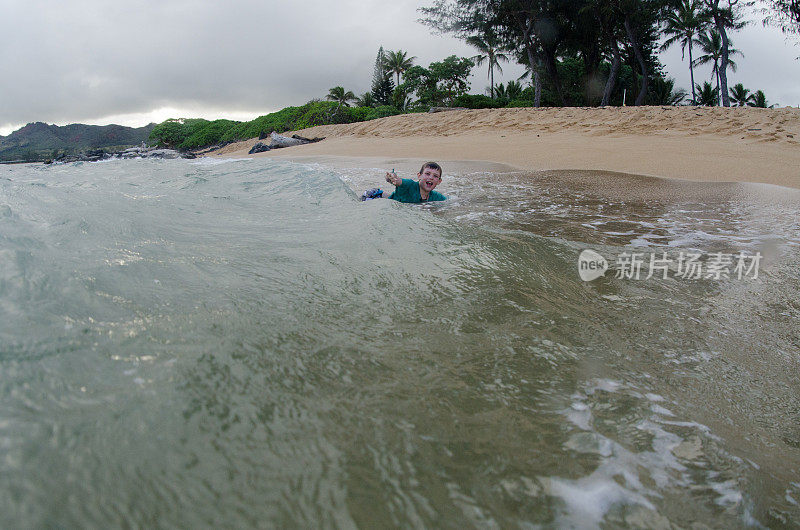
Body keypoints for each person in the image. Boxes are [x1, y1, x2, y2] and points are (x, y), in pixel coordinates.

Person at [361, 162, 446, 203]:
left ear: (439, 181)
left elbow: (450, 201)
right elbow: (397, 181)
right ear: (419, 176)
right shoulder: (409, 184)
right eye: (427, 174)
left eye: (435, 176)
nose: (431, 177)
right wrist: (391, 178)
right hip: (373, 195)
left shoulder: (436, 196)